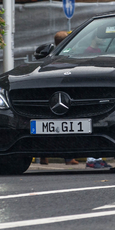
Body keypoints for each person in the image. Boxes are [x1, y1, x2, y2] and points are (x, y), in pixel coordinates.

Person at [41, 31, 79, 166]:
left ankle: (43, 157)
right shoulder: (69, 57)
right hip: (66, 98)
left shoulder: (50, 58)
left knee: (45, 130)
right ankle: (69, 158)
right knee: (68, 130)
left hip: (49, 100)